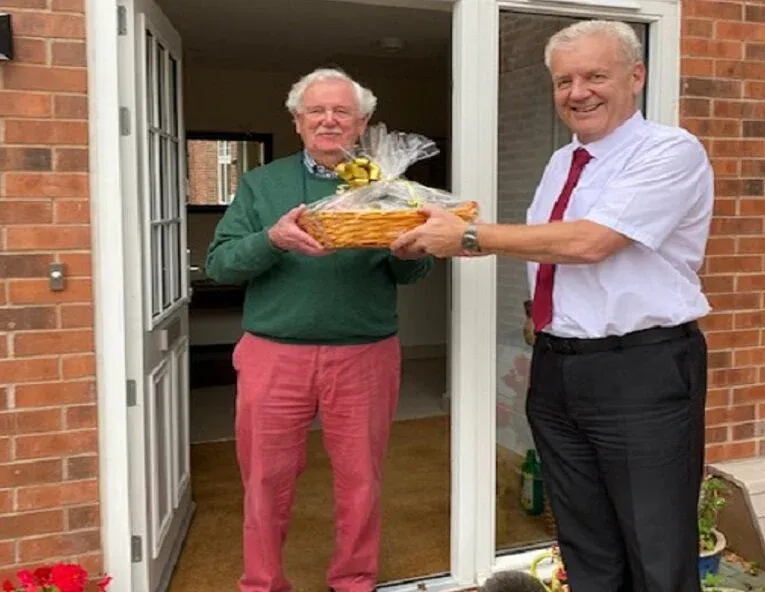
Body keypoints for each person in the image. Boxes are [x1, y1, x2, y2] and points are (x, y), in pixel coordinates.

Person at [391, 19, 713, 592]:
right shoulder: (563, 161)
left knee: (656, 551)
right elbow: (550, 252)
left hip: (639, 371)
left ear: (635, 76)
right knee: (586, 542)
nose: (577, 92)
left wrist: (470, 237)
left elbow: (590, 242)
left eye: (595, 75)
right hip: (560, 367)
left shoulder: (669, 150)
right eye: (564, 80)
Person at [205, 68, 432, 592]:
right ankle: (262, 583)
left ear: (362, 122)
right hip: (273, 354)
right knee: (265, 482)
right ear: (297, 121)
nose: (329, 120)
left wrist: (403, 248)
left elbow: (415, 273)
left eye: (342, 111)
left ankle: (353, 581)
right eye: (317, 111)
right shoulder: (262, 184)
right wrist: (273, 239)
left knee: (361, 482)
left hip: (365, 355)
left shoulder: (389, 186)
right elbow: (221, 265)